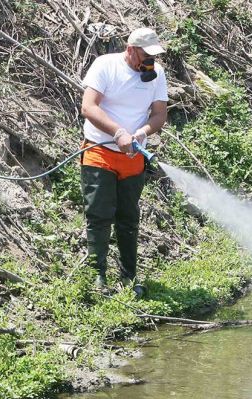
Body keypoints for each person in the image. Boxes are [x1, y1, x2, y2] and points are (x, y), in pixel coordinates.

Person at [80, 28, 168, 288]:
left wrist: (141, 132)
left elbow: (159, 115)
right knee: (99, 213)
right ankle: (98, 277)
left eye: (154, 55)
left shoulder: (157, 75)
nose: (150, 61)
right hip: (100, 150)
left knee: (128, 217)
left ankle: (129, 276)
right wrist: (117, 132)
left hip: (133, 158)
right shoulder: (105, 66)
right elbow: (89, 106)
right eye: (146, 55)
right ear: (130, 49)